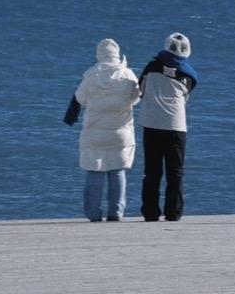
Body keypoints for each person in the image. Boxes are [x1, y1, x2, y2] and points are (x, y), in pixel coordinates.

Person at [62, 38, 142, 222]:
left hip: (95, 132)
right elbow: (136, 98)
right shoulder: (128, 74)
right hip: (121, 132)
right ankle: (116, 212)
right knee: (117, 171)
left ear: (99, 54)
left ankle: (93, 213)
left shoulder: (91, 75)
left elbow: (80, 99)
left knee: (95, 170)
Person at [138, 32, 197, 222]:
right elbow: (186, 95)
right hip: (176, 126)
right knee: (175, 172)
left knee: (152, 171)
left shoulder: (151, 67)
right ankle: (174, 212)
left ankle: (150, 212)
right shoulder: (188, 74)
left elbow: (141, 89)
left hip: (152, 123)